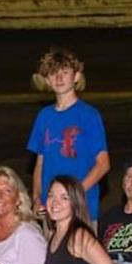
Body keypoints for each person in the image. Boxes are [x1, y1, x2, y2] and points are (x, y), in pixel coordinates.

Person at [27, 48, 110, 221]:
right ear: (47, 80)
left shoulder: (89, 115)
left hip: (81, 209)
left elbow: (103, 164)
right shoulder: (44, 116)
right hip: (52, 210)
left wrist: (74, 195)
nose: (59, 78)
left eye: (65, 72)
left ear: (76, 76)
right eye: (53, 73)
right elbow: (39, 164)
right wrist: (36, 198)